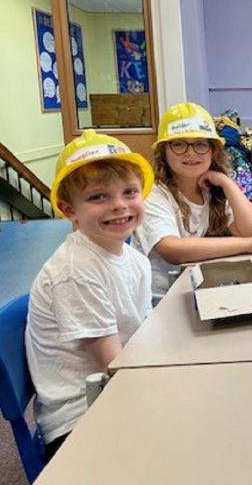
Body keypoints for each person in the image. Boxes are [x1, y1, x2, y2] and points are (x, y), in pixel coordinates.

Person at [25, 130, 154, 461]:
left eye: (130, 192)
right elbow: (112, 365)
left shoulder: (135, 259)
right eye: (99, 197)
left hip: (118, 390)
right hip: (81, 417)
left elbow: (145, 333)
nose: (119, 206)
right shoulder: (75, 272)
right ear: (70, 210)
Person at [132, 102, 252, 300]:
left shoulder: (212, 189)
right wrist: (248, 244)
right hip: (157, 299)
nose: (191, 152)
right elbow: (172, 250)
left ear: (213, 151)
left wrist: (226, 182)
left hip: (188, 288)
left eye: (201, 144)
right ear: (164, 152)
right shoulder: (154, 194)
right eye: (178, 144)